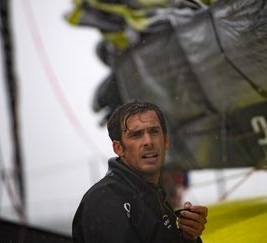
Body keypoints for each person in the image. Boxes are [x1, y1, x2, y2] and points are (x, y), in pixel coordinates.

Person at [72, 100, 208, 242]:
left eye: (154, 131)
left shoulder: (154, 196)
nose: (148, 141)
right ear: (118, 148)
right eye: (136, 135)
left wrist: (189, 237)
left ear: (166, 141)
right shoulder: (104, 202)